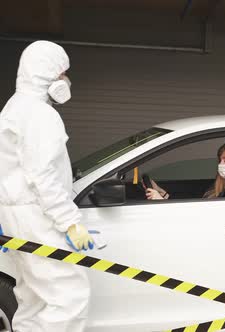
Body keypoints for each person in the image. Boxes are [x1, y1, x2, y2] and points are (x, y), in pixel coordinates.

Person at [0, 41, 93, 332]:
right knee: (68, 296)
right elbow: (43, 177)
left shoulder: (14, 108)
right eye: (63, 73)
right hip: (37, 217)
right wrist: (71, 223)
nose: (66, 80)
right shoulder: (40, 115)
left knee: (32, 298)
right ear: (47, 73)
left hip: (15, 215)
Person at [146, 141, 225, 200]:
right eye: (220, 160)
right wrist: (165, 195)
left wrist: (162, 202)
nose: (220, 165)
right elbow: (198, 200)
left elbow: (210, 215)